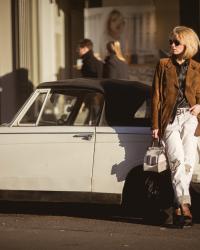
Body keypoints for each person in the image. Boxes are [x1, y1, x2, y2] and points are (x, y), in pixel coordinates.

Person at [151, 26, 200, 227]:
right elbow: (156, 96)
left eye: (176, 42)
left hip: (191, 118)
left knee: (187, 161)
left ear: (187, 44)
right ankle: (184, 203)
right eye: (170, 41)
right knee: (177, 159)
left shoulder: (197, 67)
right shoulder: (163, 65)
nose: (172, 45)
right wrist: (154, 124)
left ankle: (180, 207)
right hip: (169, 120)